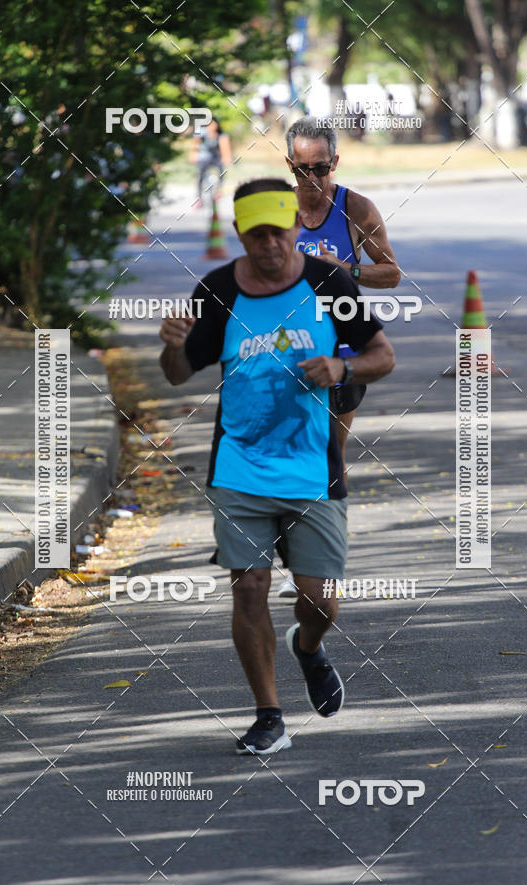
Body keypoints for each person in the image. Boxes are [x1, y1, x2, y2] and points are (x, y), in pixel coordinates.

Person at [159, 178, 394, 755]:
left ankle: (308, 648)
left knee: (319, 600)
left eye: (279, 231)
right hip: (239, 467)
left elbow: (382, 356)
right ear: (240, 235)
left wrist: (343, 372)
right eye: (257, 234)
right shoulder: (216, 291)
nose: (270, 245)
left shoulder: (327, 281)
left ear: (295, 226)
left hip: (314, 467)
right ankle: (269, 715)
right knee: (250, 588)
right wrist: (170, 344)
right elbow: (176, 373)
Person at [276, 116, 401, 600]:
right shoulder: (279, 210)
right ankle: (298, 559)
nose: (312, 179)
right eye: (303, 169)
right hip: (287, 350)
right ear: (290, 165)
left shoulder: (355, 209)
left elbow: (390, 273)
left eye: (321, 167)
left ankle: (321, 562)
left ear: (335, 162)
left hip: (345, 350)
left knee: (327, 448)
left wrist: (344, 268)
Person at [190, 117, 232, 207]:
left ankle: (218, 191)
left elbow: (224, 147)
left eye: (214, 124)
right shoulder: (202, 132)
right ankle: (199, 198)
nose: (213, 126)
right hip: (203, 157)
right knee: (200, 176)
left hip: (215, 157)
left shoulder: (220, 135)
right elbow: (195, 144)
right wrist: (194, 155)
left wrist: (226, 158)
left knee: (222, 170)